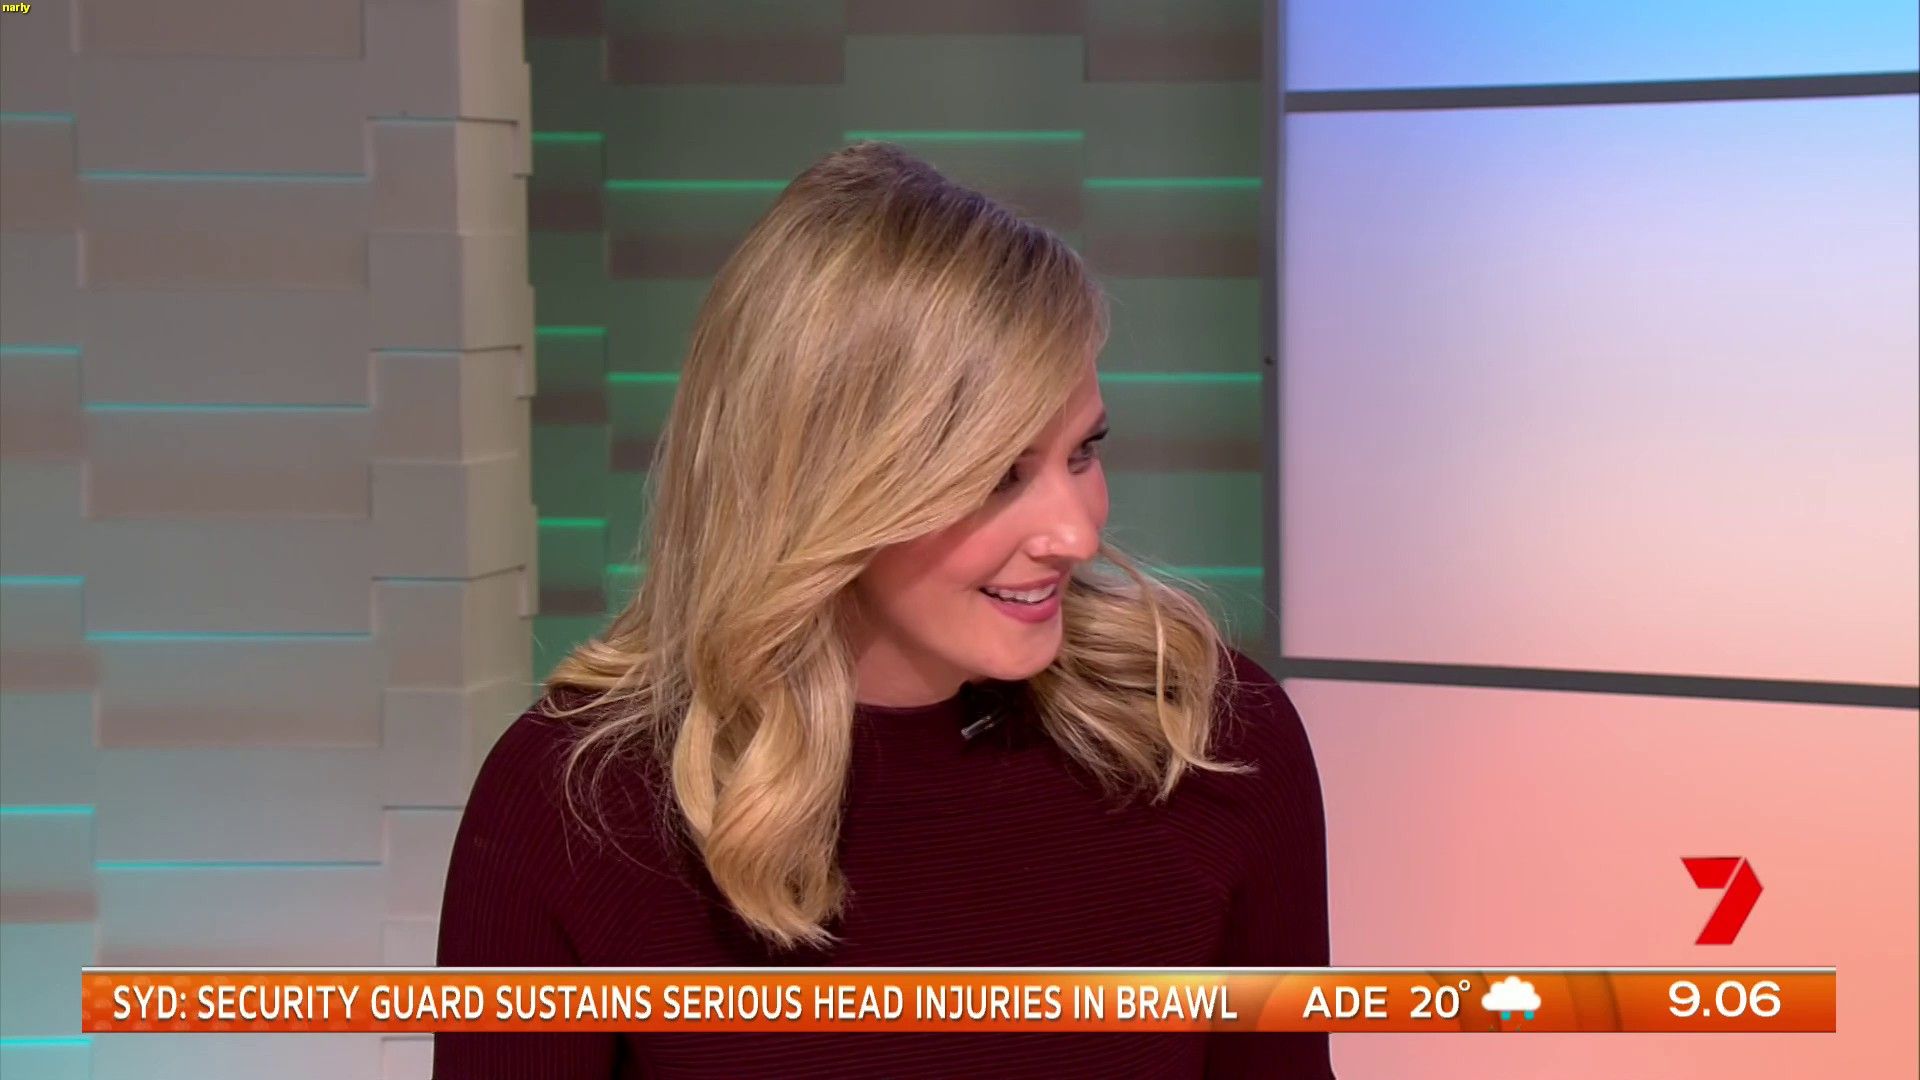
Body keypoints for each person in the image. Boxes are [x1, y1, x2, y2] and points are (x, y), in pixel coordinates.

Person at [433, 142, 1334, 1079]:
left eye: (1082, 451)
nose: (1074, 533)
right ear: (827, 488)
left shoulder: (1212, 739)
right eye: (998, 476)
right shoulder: (574, 806)